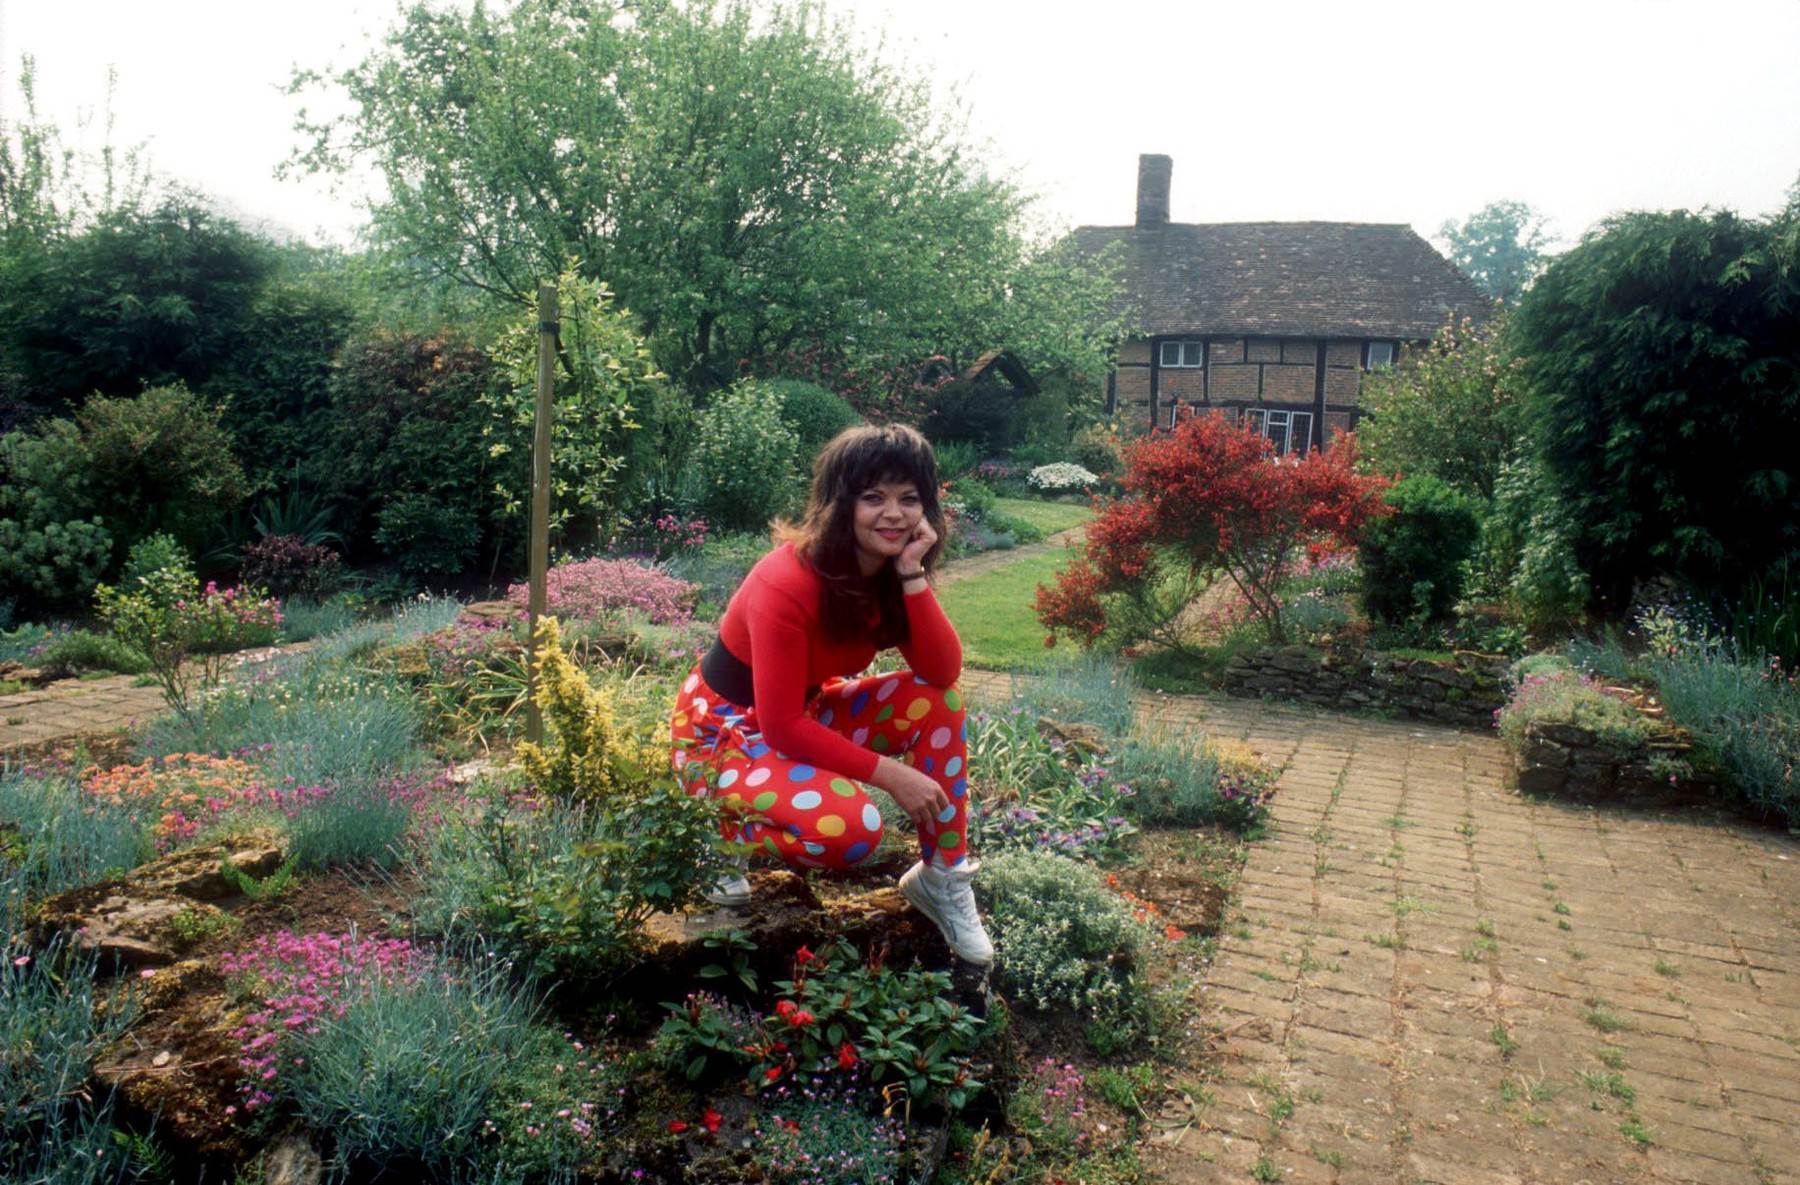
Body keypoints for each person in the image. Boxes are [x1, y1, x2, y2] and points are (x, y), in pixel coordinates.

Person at [668, 424, 993, 966]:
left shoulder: (889, 570)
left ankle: (943, 877)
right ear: (840, 505)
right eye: (874, 498)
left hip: (806, 709)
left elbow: (942, 671)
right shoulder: (787, 581)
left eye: (909, 499)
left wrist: (912, 575)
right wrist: (893, 775)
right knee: (850, 831)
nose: (894, 514)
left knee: (939, 703)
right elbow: (781, 726)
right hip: (725, 731)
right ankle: (717, 829)